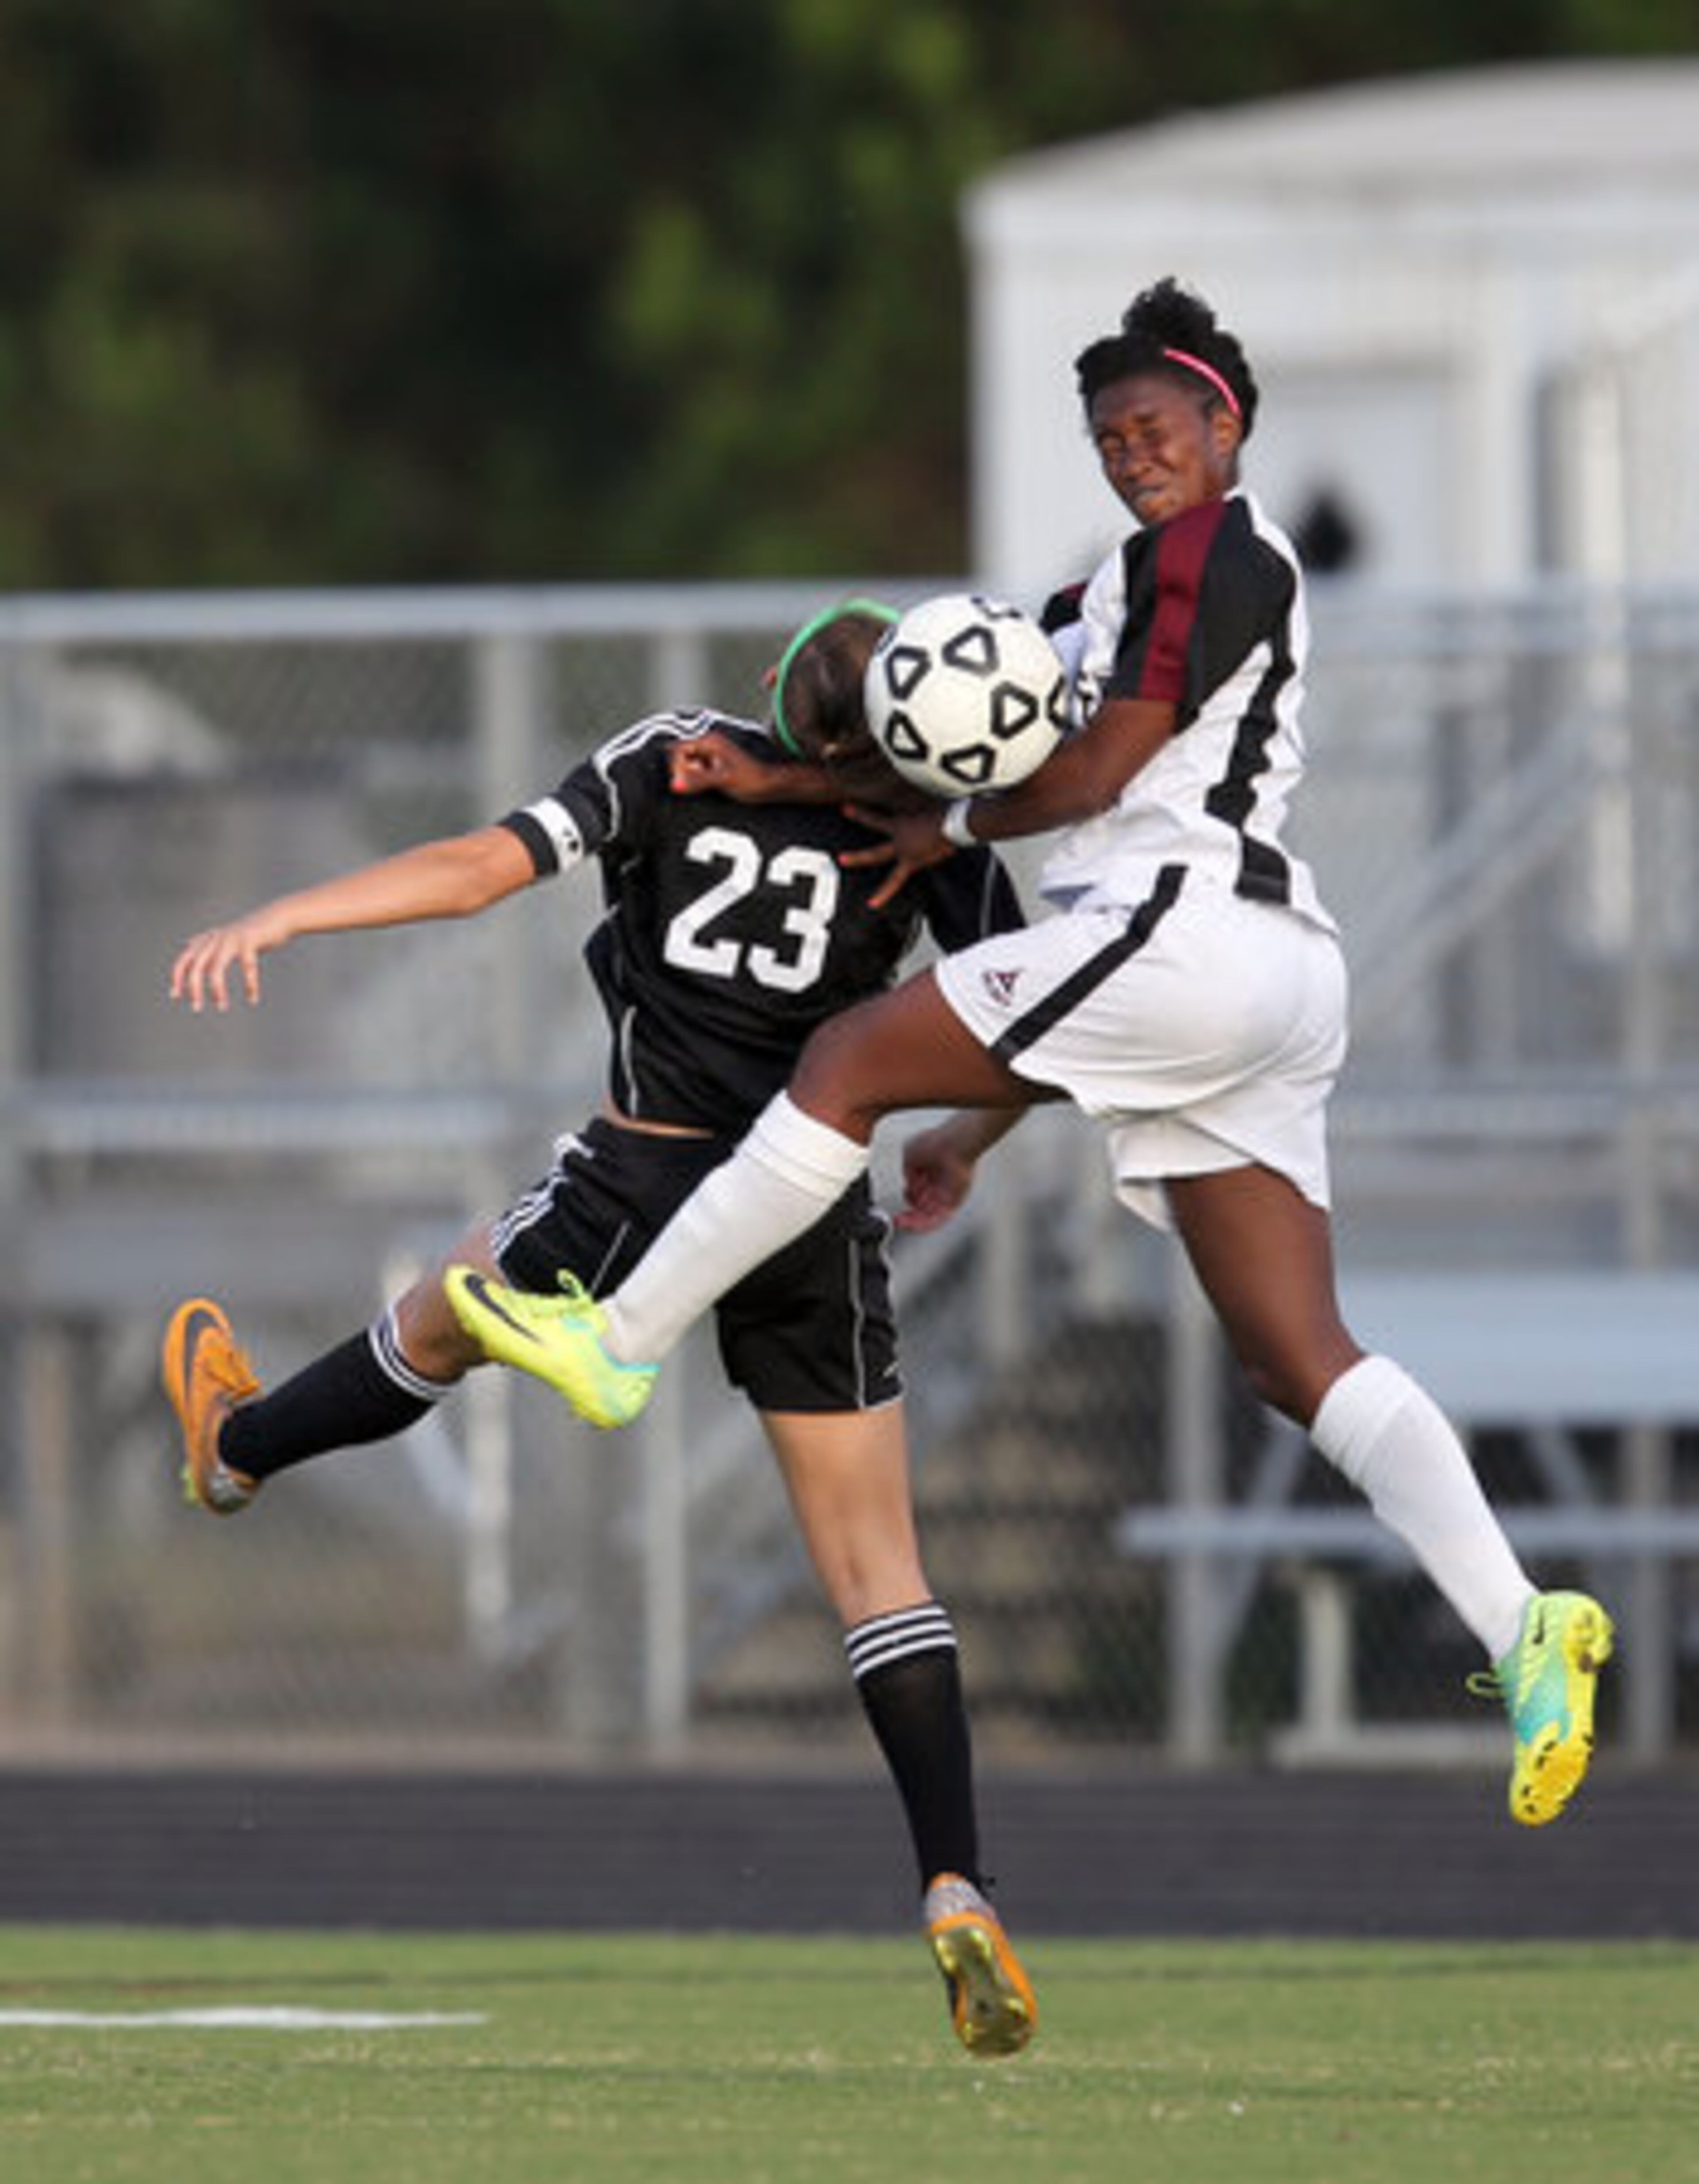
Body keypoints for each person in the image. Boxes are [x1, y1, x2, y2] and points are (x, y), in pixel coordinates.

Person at [446, 279, 1616, 1833]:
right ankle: (1526, 1623)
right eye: (1111, 437)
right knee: (1293, 1354)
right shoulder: (1114, 587)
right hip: (1248, 980)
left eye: (1160, 428)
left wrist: (961, 825)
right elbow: (951, 734)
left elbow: (1098, 770)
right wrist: (797, 771)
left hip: (1181, 924)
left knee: (848, 1057)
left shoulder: (1226, 552)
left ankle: (626, 1335)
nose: (1137, 454)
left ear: (1228, 426)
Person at [161, 601, 1038, 2058]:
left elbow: (475, 872)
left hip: (637, 1174)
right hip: (801, 1200)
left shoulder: (676, 759)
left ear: (775, 693)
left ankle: (237, 1451)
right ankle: (953, 1876)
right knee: (878, 1567)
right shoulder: (927, 832)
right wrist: (964, 1140)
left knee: (444, 1317)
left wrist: (292, 910)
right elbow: (1032, 1021)